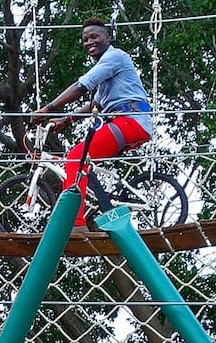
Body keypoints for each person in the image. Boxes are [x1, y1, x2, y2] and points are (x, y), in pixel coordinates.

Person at [30, 19, 153, 225]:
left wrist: (48, 108)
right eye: (85, 39)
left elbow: (82, 86)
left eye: (94, 37)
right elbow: (94, 106)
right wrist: (65, 120)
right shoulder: (107, 72)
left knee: (75, 158)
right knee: (83, 162)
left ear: (108, 37)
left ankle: (74, 223)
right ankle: (102, 205)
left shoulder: (115, 57)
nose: (89, 42)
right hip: (123, 122)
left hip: (129, 121)